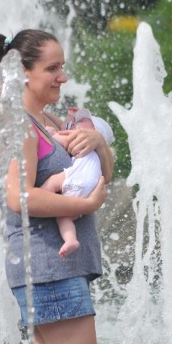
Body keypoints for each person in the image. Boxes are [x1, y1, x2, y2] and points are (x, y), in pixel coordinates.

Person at [0, 29, 114, 344]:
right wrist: (85, 206)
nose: (63, 76)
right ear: (23, 73)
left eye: (62, 67)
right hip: (49, 270)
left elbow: (102, 177)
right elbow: (18, 197)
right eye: (52, 69)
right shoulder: (19, 126)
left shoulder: (48, 121)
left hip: (52, 271)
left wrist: (98, 143)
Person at [41, 108, 115, 257]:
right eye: (76, 122)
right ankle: (70, 239)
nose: (76, 124)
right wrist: (69, 117)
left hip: (77, 179)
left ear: (95, 132)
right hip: (89, 188)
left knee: (51, 184)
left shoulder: (82, 140)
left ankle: (41, 195)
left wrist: (51, 134)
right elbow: (66, 126)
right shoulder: (92, 151)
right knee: (64, 216)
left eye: (82, 122)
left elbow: (63, 135)